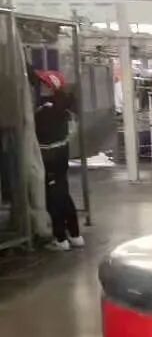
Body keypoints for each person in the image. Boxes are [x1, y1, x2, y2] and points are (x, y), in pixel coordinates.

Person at [33, 70, 83, 252]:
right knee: (63, 194)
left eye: (43, 83)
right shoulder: (63, 106)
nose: (39, 87)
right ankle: (75, 235)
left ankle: (60, 239)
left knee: (53, 198)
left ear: (50, 87)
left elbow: (35, 131)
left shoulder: (46, 110)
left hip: (49, 158)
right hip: (61, 156)